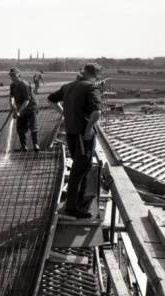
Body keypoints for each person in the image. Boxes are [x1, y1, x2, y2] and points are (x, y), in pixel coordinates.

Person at [47, 63, 103, 218]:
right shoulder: (91, 88)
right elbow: (96, 113)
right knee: (80, 171)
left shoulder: (68, 86)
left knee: (81, 169)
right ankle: (72, 207)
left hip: (71, 134)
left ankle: (78, 201)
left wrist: (65, 113)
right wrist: (87, 130)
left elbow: (50, 100)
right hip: (82, 136)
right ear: (95, 74)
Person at [8, 67, 39, 152]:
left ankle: (36, 145)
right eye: (11, 75)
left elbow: (27, 101)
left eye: (14, 75)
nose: (12, 77)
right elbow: (11, 97)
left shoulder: (24, 85)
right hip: (21, 108)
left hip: (31, 107)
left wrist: (18, 112)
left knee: (33, 127)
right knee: (20, 128)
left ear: (19, 75)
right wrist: (12, 105)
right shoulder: (12, 85)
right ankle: (24, 147)